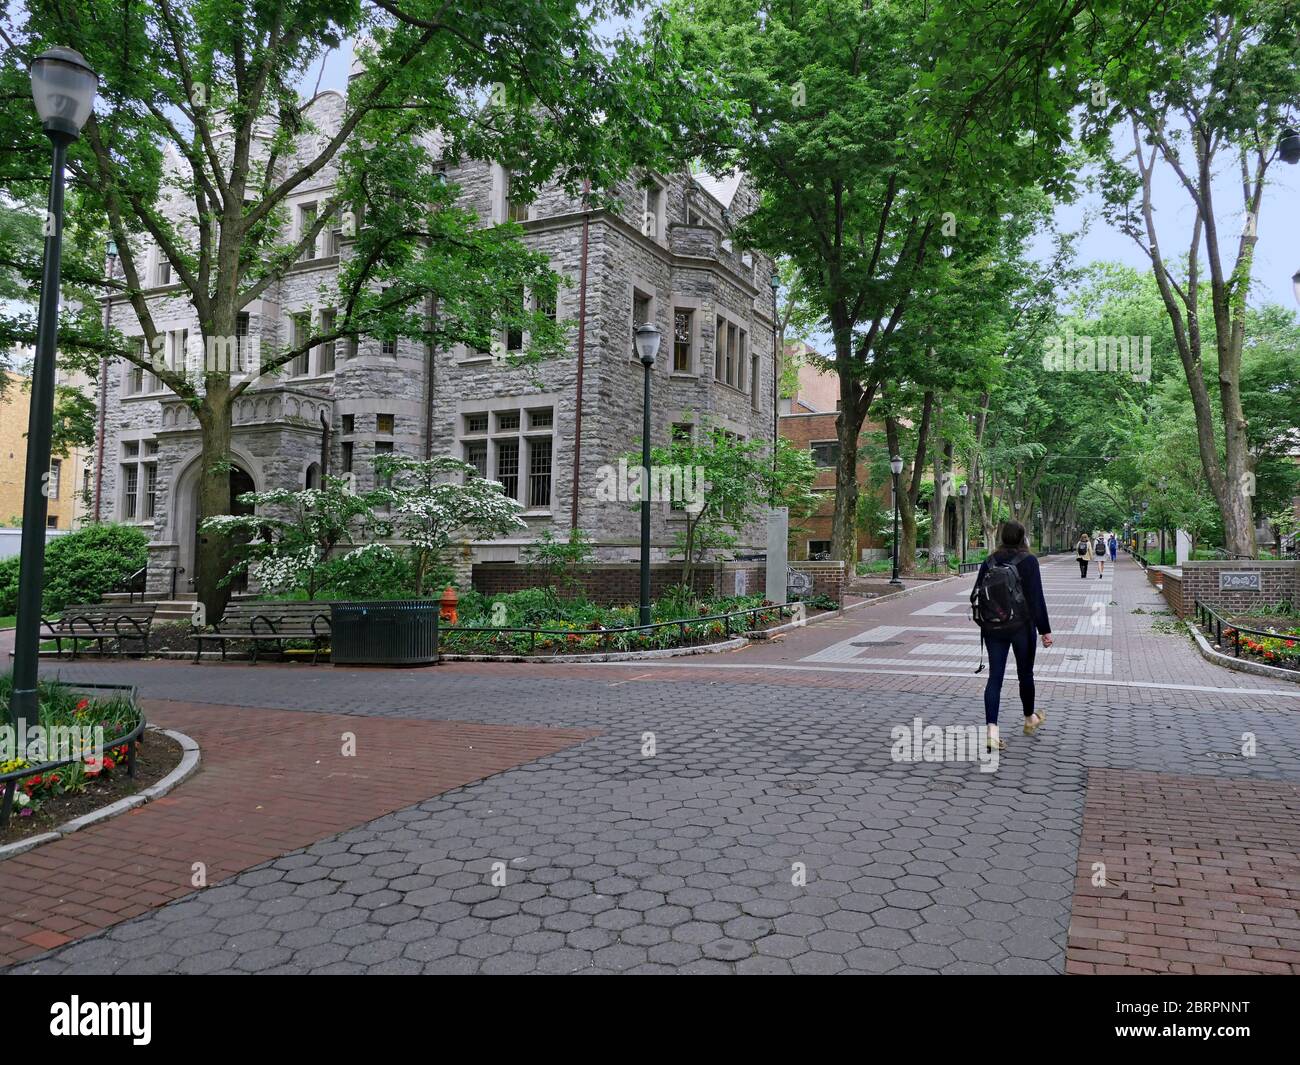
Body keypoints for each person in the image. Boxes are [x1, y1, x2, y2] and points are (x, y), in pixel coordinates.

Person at [973, 520, 1051, 751]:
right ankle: (1029, 719)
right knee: (1025, 674)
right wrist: (1044, 630)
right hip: (1021, 627)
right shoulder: (1029, 561)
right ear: (1022, 537)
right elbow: (1036, 598)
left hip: (993, 627)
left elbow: (978, 591)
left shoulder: (989, 561)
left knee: (994, 678)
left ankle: (992, 732)